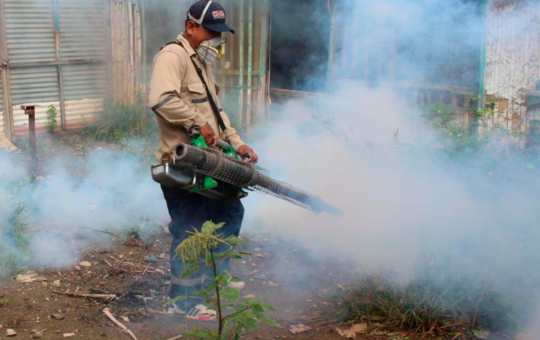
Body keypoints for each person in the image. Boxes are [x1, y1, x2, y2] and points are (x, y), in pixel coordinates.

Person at [148, 0, 259, 321]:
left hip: (211, 162)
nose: (216, 40)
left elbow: (216, 112)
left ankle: (214, 279)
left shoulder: (201, 64)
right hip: (181, 164)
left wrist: (237, 143)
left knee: (230, 212)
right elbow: (161, 100)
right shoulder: (172, 56)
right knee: (189, 230)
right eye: (211, 32)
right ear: (191, 27)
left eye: (219, 33)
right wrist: (198, 121)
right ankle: (182, 302)